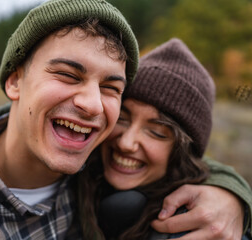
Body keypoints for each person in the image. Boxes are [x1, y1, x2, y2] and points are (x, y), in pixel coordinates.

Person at [0, 0, 249, 239]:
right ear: (15, 80)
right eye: (67, 75)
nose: (93, 104)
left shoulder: (103, 169)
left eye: (111, 87)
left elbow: (184, 164)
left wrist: (233, 197)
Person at [77, 38, 252, 239]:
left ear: (183, 153)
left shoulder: (203, 229)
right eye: (122, 119)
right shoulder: (73, 168)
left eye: (157, 132)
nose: (126, 143)